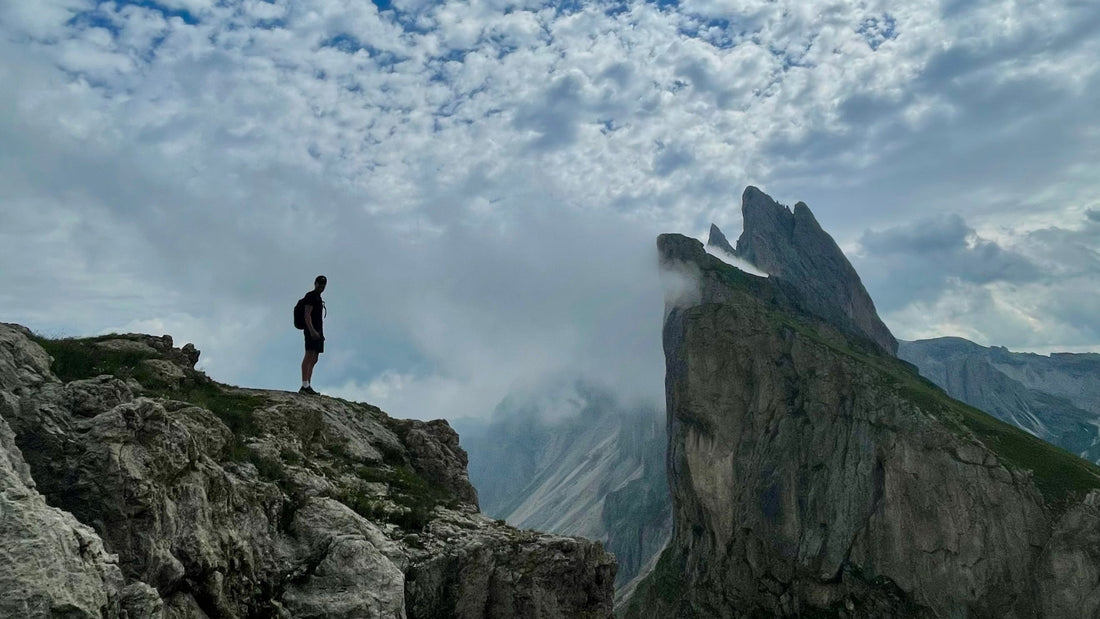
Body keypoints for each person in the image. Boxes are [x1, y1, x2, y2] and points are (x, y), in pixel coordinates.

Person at [300, 275, 327, 395]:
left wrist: (320, 334)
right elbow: (307, 315)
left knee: (315, 357)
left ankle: (308, 385)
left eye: (323, 284)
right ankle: (305, 385)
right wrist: (311, 331)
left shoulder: (318, 298)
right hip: (311, 331)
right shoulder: (310, 296)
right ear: (315, 283)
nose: (321, 286)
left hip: (318, 331)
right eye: (319, 284)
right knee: (309, 355)